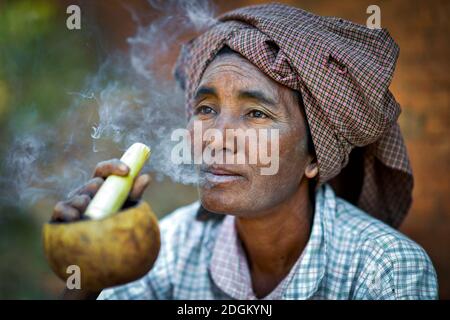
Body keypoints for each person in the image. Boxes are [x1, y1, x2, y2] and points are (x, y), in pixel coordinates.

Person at [52, 4, 438, 299]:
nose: (217, 138)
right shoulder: (169, 248)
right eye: (206, 109)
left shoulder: (384, 269)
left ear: (315, 156)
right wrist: (89, 273)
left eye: (256, 113)